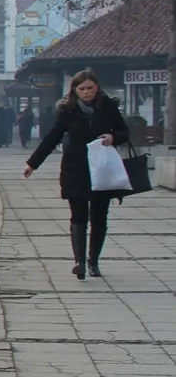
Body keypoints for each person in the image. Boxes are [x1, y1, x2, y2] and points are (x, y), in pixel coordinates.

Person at [25, 68, 131, 280]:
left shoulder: (109, 107)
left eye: (89, 88)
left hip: (101, 169)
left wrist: (112, 137)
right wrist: (33, 163)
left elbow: (124, 132)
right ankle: (79, 261)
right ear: (74, 90)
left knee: (99, 217)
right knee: (78, 215)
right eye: (81, 89)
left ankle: (93, 262)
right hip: (76, 168)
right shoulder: (67, 110)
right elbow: (53, 136)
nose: (86, 92)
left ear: (97, 87)